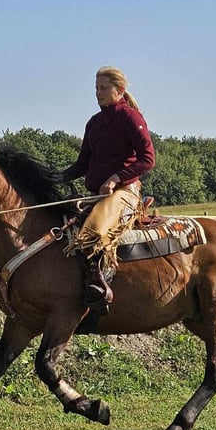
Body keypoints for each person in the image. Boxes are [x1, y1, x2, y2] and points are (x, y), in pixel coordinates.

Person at [59, 66, 156, 313]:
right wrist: (55, 177)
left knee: (95, 230)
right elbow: (82, 164)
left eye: (103, 88)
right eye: (96, 88)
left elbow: (148, 158)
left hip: (125, 192)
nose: (98, 93)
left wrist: (116, 177)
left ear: (119, 90)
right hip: (98, 194)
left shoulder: (131, 118)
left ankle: (99, 285)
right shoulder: (94, 123)